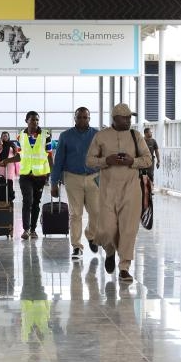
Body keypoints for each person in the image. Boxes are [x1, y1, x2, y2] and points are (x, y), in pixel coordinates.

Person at [86, 103, 152, 282]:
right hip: (107, 191)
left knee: (128, 230)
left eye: (130, 118)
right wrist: (106, 160)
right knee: (107, 229)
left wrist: (133, 161)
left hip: (131, 190)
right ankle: (109, 251)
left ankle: (124, 267)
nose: (129, 121)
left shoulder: (136, 135)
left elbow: (147, 159)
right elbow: (90, 161)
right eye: (125, 118)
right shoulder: (101, 136)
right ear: (115, 118)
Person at [50, 107, 100, 260]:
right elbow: (58, 161)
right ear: (75, 118)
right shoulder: (66, 136)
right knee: (75, 214)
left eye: (85, 117)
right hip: (72, 178)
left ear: (89, 119)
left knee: (96, 212)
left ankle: (91, 235)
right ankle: (77, 246)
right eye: (79, 117)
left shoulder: (97, 135)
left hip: (94, 177)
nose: (82, 120)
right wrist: (54, 183)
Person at [17, 110, 52, 240]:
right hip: (25, 174)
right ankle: (25, 229)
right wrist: (6, 161)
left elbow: (49, 155)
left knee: (36, 202)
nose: (35, 122)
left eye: (37, 120)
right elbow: (19, 155)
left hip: (40, 175)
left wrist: (52, 174)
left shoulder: (45, 135)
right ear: (26, 121)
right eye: (32, 120)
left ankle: (33, 229)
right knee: (28, 200)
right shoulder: (20, 136)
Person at [0, 131, 20, 201]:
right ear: (1, 137)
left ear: (8, 137)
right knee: (1, 178)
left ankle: (10, 194)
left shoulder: (12, 144)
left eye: (6, 136)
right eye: (3, 136)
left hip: (10, 163)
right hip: (1, 163)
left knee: (10, 179)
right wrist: (1, 145)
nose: (5, 137)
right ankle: (2, 194)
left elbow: (16, 154)